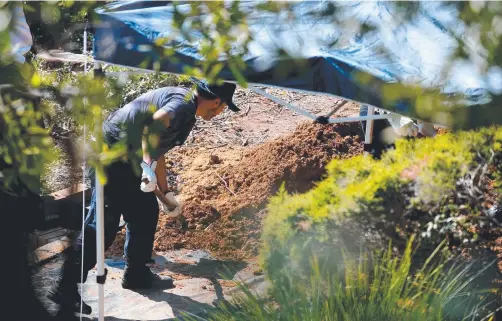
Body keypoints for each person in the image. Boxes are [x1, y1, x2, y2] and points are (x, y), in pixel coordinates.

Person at [49, 79, 240, 314]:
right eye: (223, 107)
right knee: (102, 227)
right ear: (217, 101)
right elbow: (152, 127)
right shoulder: (181, 105)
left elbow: (157, 147)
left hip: (130, 161)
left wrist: (165, 191)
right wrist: (147, 166)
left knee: (145, 213)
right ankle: (64, 287)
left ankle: (136, 274)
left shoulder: (187, 109)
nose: (221, 112)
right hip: (110, 158)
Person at [359, 105, 436, 159]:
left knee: (411, 151)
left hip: (407, 107)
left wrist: (425, 130)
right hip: (375, 109)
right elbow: (381, 94)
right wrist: (401, 121)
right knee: (384, 156)